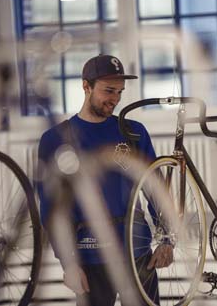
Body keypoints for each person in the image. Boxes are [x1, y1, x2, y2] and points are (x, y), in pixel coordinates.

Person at [37, 54, 173, 306]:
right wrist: (68, 264)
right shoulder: (55, 139)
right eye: (109, 90)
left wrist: (167, 239)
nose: (115, 99)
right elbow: (50, 209)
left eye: (120, 92)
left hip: (137, 252)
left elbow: (156, 189)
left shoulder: (133, 132)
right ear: (86, 86)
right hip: (90, 257)